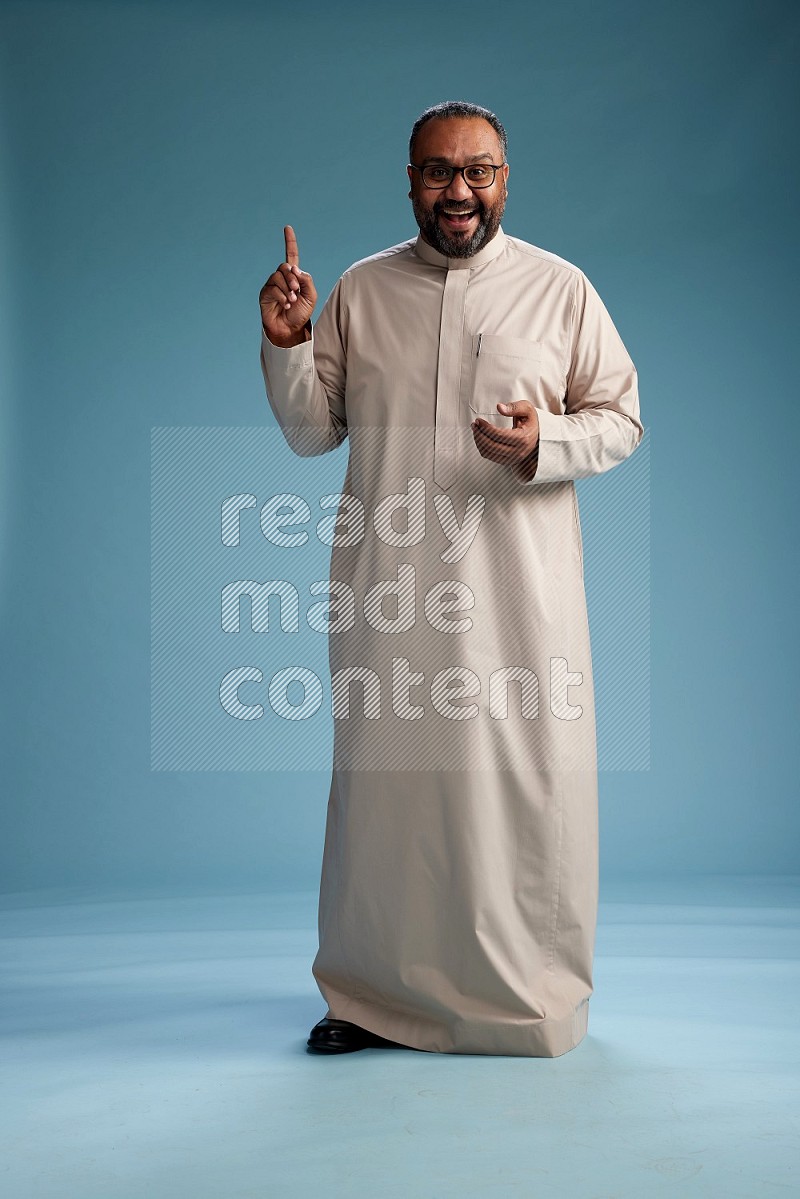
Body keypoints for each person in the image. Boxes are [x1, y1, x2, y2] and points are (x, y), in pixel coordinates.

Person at [258, 100, 643, 1057]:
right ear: (410, 180)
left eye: (479, 171)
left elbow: (622, 418)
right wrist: (290, 343)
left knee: (520, 788)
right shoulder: (361, 287)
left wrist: (540, 441)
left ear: (507, 178)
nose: (459, 191)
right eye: (438, 172)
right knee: (387, 797)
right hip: (391, 587)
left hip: (519, 595)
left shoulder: (560, 289)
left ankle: (531, 997)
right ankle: (368, 994)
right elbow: (313, 432)